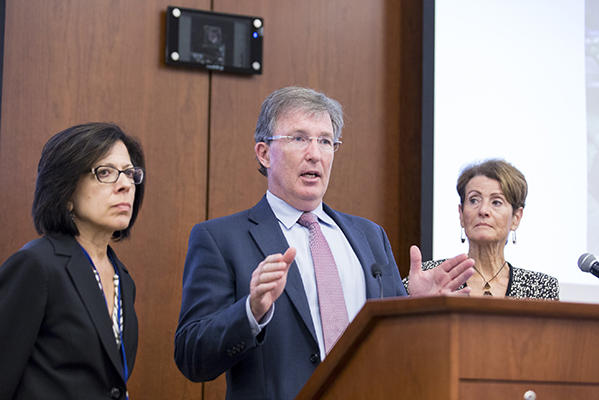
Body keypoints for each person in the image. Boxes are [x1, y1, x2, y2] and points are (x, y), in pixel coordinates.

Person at [174, 86, 474, 400]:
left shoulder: (370, 237)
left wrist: (417, 309)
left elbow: (397, 351)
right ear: (264, 153)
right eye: (299, 138)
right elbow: (192, 358)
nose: (315, 154)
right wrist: (251, 311)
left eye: (325, 141)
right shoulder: (221, 239)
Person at [0, 122, 145, 399]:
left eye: (129, 174)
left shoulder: (122, 277)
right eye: (105, 172)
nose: (125, 185)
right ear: (65, 192)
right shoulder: (36, 266)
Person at [405, 159, 559, 299]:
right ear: (461, 214)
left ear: (516, 218)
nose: (483, 210)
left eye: (496, 202)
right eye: (474, 200)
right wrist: (416, 303)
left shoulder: (540, 288)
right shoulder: (430, 278)